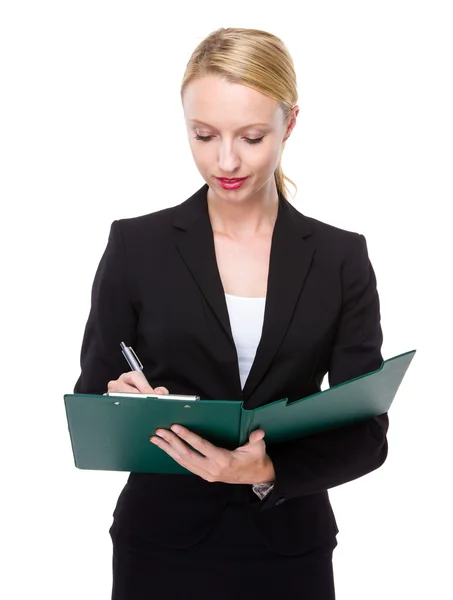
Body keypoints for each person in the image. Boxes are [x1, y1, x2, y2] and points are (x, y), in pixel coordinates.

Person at [74, 27, 389, 600]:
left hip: (288, 548)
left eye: (250, 137)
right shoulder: (135, 246)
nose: (225, 160)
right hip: (160, 548)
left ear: (289, 124)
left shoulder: (342, 258)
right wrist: (125, 401)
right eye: (203, 135)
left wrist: (267, 472)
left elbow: (366, 432)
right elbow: (92, 400)